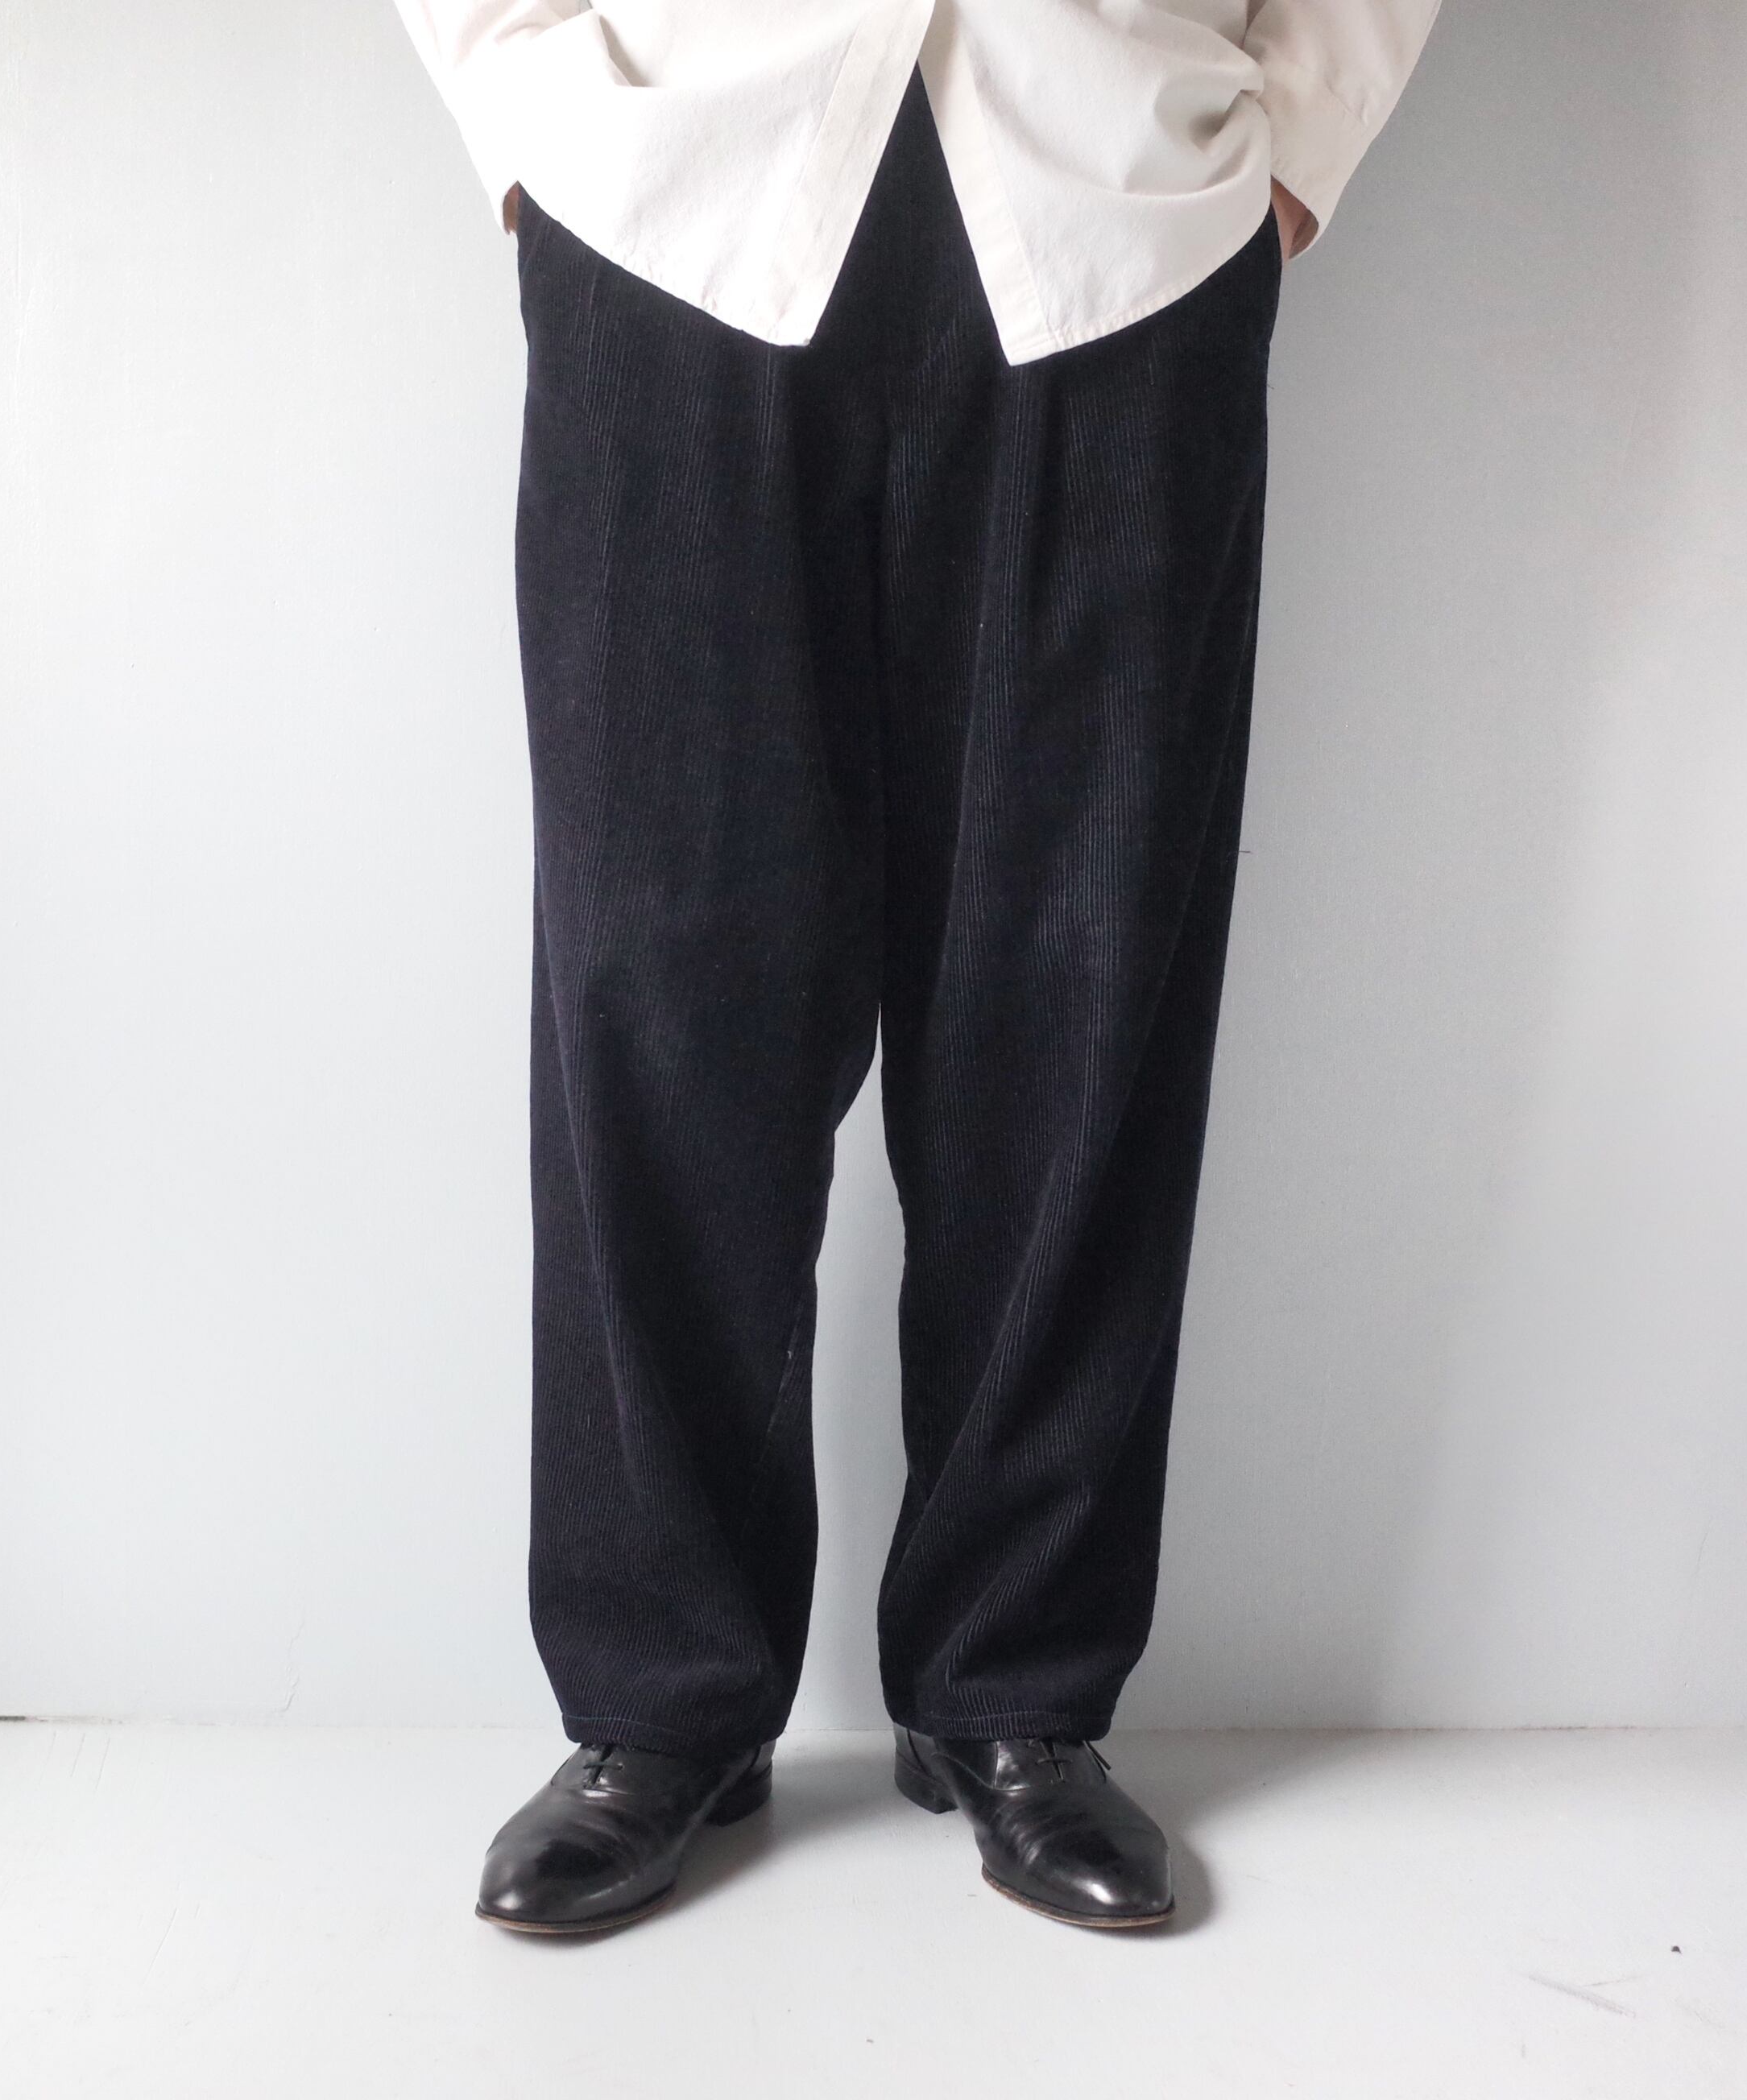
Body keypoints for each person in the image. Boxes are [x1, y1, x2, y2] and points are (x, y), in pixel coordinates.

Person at [393, 0, 1437, 1933]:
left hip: (1116, 202)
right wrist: (521, 97)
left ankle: (1014, 1688)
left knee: (1083, 980)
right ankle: (656, 1698)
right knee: (657, 983)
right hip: (674, 189)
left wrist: (1289, 145)